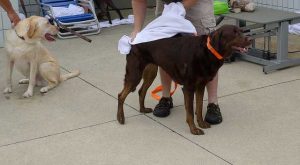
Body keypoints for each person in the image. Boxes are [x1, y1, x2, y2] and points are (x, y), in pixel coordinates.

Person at [131, 0, 222, 124]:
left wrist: (178, 9)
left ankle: (213, 104)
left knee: (207, 54)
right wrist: (137, 29)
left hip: (196, 5)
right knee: (165, 50)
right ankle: (166, 97)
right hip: (167, 5)